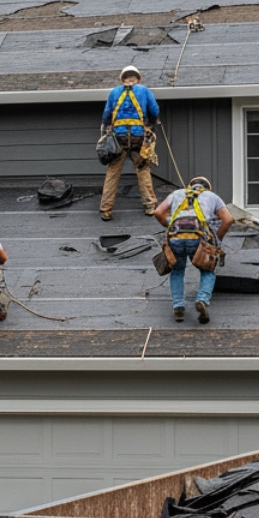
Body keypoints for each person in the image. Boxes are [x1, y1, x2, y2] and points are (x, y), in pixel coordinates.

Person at [153, 176, 235, 324]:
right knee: (207, 271)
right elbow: (228, 219)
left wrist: (171, 226)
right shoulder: (212, 196)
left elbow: (158, 212)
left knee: (177, 270)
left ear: (190, 185)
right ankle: (202, 300)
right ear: (207, 188)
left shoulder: (176, 194)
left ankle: (178, 307)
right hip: (199, 239)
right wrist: (217, 239)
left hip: (175, 238)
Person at [99, 65, 160, 220]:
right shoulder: (144, 91)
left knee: (112, 173)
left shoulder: (114, 92)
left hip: (118, 139)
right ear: (138, 78)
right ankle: (150, 207)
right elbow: (154, 111)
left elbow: (107, 114)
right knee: (143, 170)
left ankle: (106, 209)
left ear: (122, 79)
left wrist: (106, 127)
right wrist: (152, 122)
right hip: (139, 138)